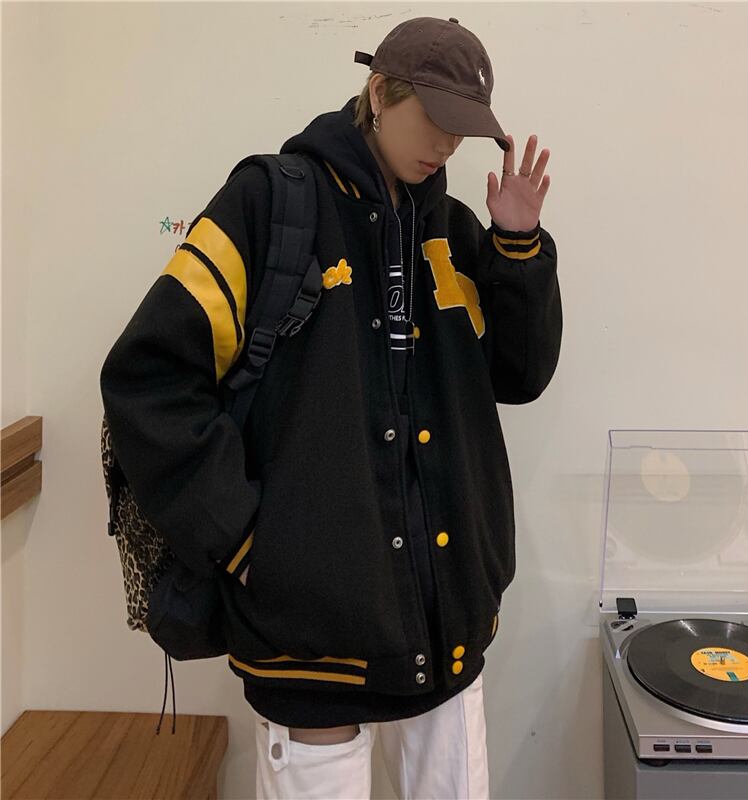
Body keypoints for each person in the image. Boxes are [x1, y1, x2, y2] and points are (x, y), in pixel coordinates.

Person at [100, 15, 561, 799]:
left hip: (445, 623)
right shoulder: (269, 205)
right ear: (380, 92)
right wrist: (249, 543)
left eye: (466, 129)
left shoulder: (451, 232)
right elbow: (149, 379)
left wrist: (517, 246)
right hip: (307, 637)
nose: (449, 145)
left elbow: (518, 375)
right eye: (436, 118)